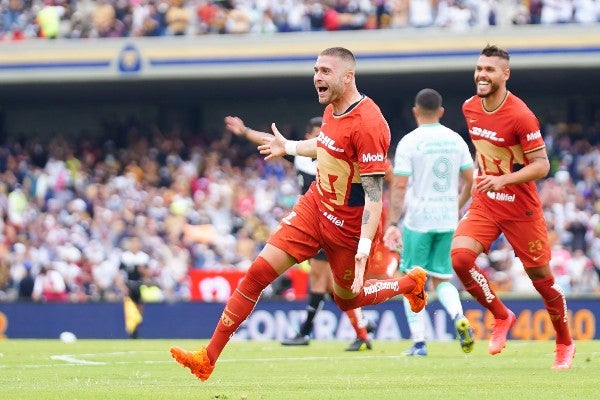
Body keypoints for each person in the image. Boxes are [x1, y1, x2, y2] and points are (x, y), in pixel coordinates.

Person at [170, 46, 428, 381]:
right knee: (257, 273)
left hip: (349, 225)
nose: (317, 77)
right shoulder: (333, 109)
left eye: (325, 71)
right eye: (316, 70)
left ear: (348, 76)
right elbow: (326, 144)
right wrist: (289, 147)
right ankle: (207, 358)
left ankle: (410, 283)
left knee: (348, 299)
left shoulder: (369, 123)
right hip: (315, 206)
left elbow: (375, 195)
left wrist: (364, 248)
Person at [451, 44, 575, 369]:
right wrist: (481, 180)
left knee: (542, 280)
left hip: (520, 207)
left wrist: (502, 181)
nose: (482, 74)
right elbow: (483, 148)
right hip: (486, 202)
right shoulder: (469, 107)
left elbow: (542, 166)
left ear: (505, 74)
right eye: (479, 68)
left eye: (489, 70)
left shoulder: (521, 115)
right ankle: (501, 315)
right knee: (461, 259)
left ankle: (564, 341)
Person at [224, 115, 377, 351]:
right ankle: (361, 329)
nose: (320, 138)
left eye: (322, 134)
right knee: (328, 285)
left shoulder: (337, 158)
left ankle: (319, 331)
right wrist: (245, 132)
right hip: (315, 223)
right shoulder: (303, 159)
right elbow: (270, 140)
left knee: (323, 282)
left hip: (333, 226)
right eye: (316, 134)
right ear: (307, 137)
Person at [384, 88, 475, 356]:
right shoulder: (455, 140)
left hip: (419, 220)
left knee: (411, 279)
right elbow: (471, 180)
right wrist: (456, 206)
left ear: (415, 111)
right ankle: (459, 316)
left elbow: (399, 186)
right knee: (441, 279)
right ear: (441, 112)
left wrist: (392, 222)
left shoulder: (410, 142)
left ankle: (419, 342)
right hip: (447, 219)